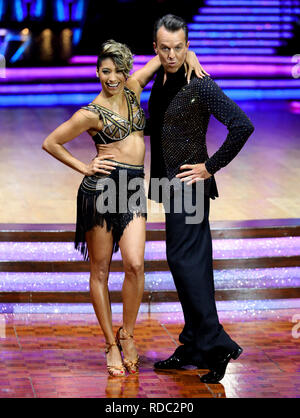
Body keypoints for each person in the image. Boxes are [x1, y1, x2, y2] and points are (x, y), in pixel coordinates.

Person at [42, 39, 206, 377]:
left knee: (134, 264)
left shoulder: (133, 90)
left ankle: (127, 333)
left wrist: (188, 54)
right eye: (105, 71)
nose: (112, 77)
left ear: (125, 71)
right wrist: (83, 166)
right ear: (97, 72)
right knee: (100, 271)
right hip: (101, 191)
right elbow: (51, 142)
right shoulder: (89, 112)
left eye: (117, 71)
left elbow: (161, 58)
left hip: (132, 189)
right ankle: (110, 344)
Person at [147, 15, 255, 383]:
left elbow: (242, 125)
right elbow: (157, 125)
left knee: (184, 261)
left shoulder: (201, 84)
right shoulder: (161, 78)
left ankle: (215, 343)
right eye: (165, 48)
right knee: (188, 262)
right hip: (167, 184)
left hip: (189, 186)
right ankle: (194, 344)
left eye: (179, 47)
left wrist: (209, 168)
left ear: (188, 46)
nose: (173, 54)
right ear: (156, 47)